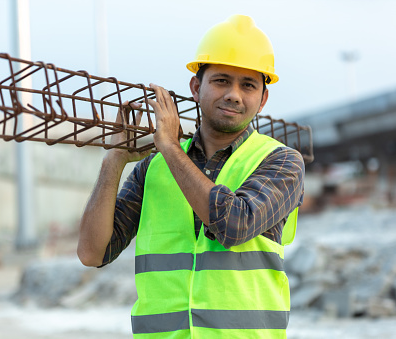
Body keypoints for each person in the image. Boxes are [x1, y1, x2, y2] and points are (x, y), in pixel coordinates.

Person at [77, 14, 305, 338]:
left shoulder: (281, 162)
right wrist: (114, 159)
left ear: (262, 99)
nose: (234, 95)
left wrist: (169, 146)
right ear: (196, 88)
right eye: (222, 80)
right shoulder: (152, 169)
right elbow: (92, 252)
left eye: (248, 85)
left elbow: (233, 225)